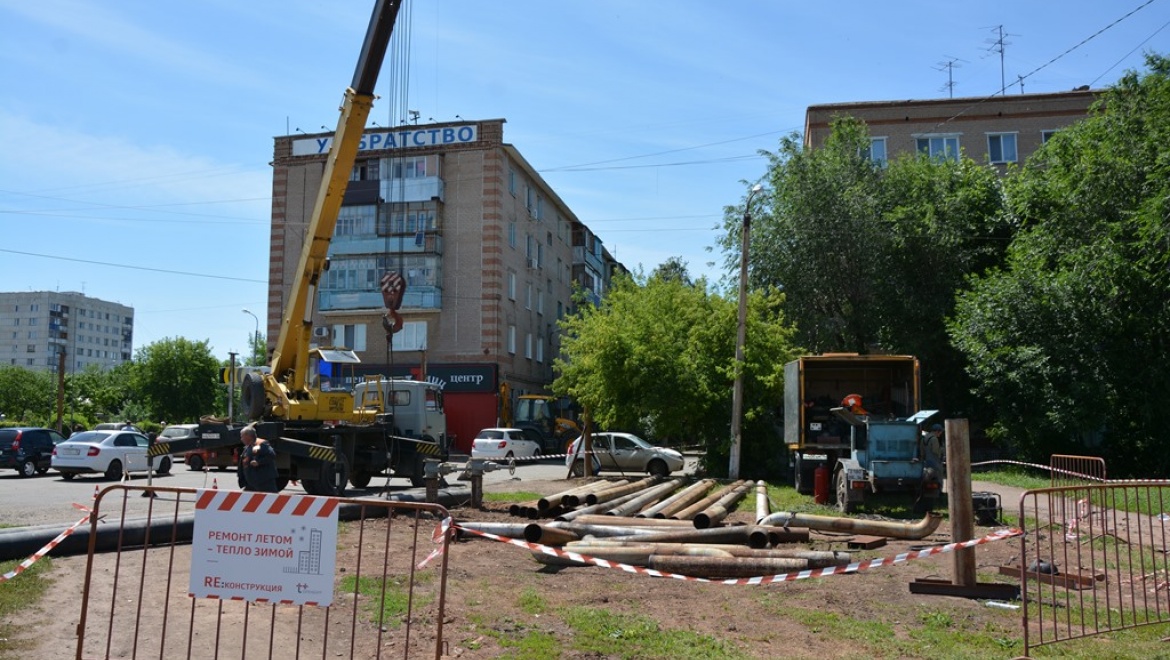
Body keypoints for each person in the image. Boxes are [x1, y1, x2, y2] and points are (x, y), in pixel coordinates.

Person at [242, 427, 279, 493]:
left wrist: (258, 462)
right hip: (253, 482)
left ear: (249, 436)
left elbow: (271, 455)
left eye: (242, 436)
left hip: (264, 481)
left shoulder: (261, 444)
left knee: (271, 499)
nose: (241, 439)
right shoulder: (249, 446)